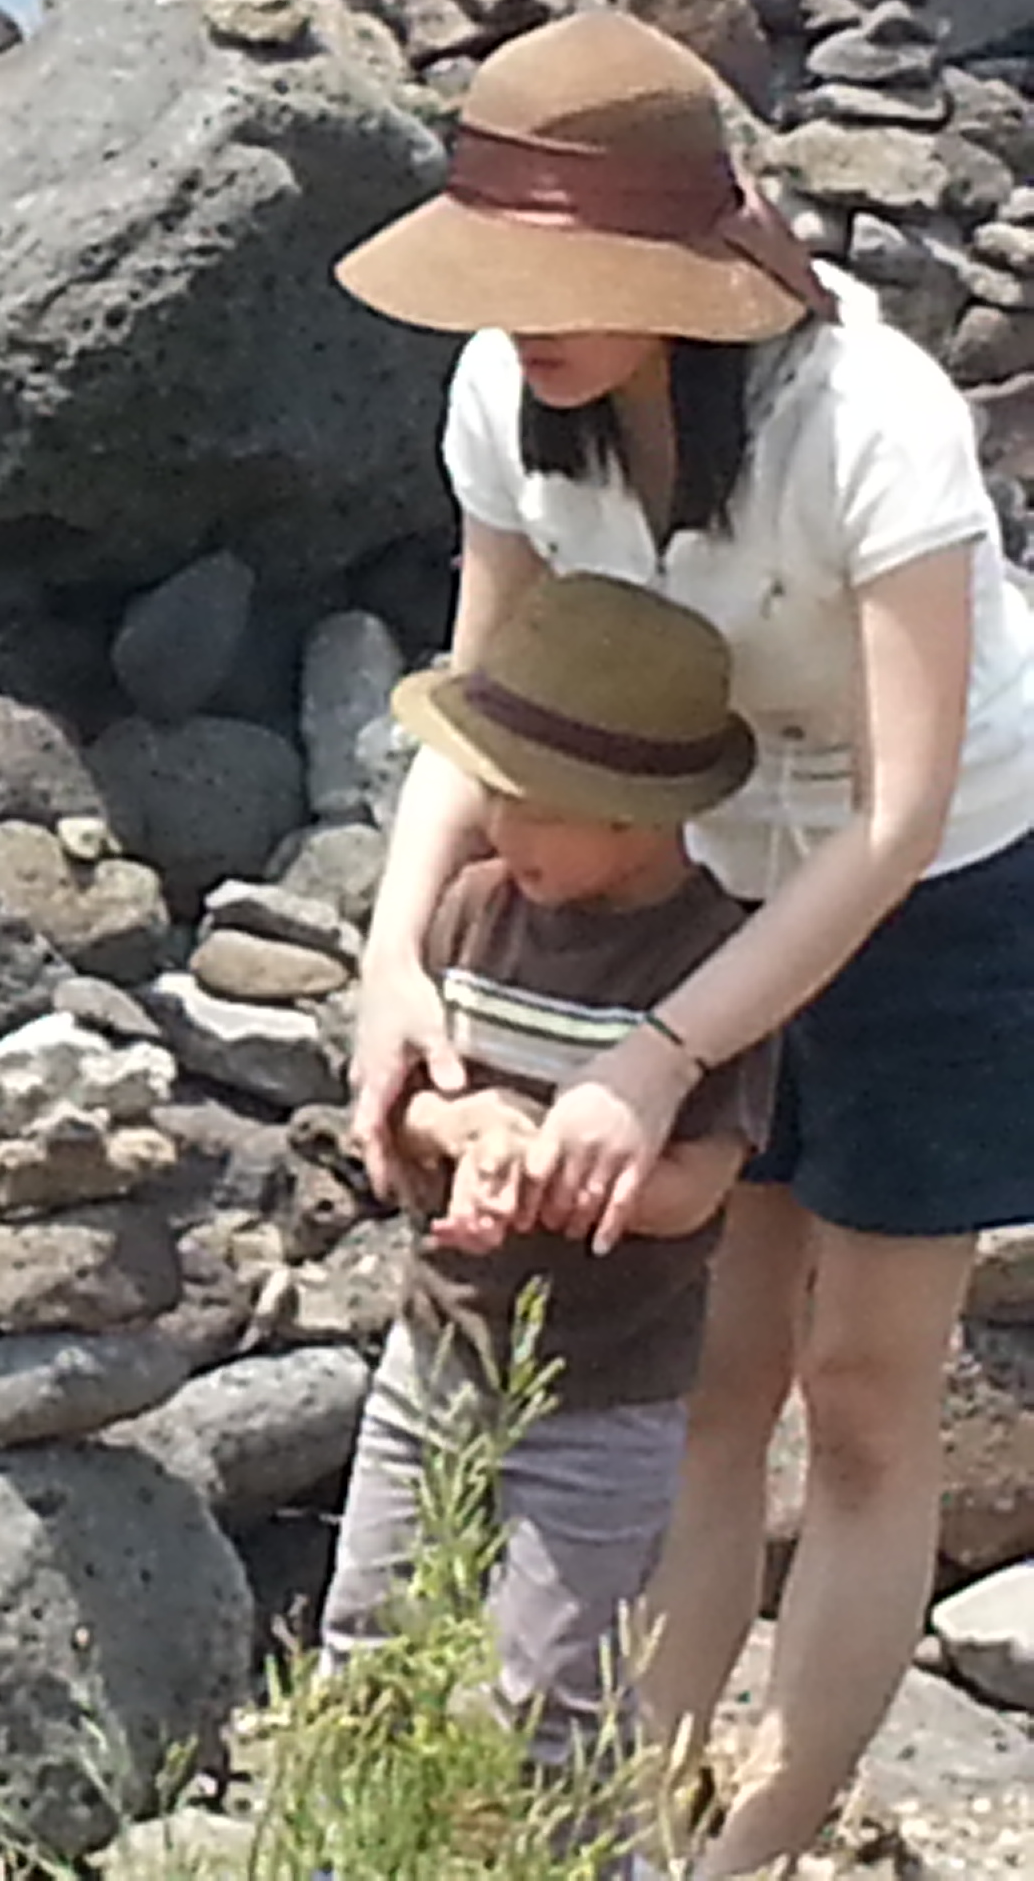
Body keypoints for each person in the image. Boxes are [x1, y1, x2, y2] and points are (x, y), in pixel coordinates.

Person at [334, 9, 1034, 1876]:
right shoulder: (507, 402)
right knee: (711, 1375)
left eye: (565, 278)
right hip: (702, 868)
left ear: (679, 266)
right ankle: (633, 1832)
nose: (524, 320)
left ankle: (756, 1845)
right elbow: (483, 712)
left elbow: (894, 812)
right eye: (496, 276)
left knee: (863, 1391)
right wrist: (392, 969)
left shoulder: (865, 417)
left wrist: (656, 1058)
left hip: (948, 884)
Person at [318, 572, 777, 1799]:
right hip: (434, 1349)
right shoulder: (474, 911)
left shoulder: (714, 961)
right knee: (367, 1640)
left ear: (636, 819)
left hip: (609, 1393)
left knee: (554, 1692)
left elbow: (700, 1186)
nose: (498, 829)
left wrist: (566, 1175)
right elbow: (403, 1109)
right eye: (494, 796)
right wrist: (466, 1127)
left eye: (534, 809)